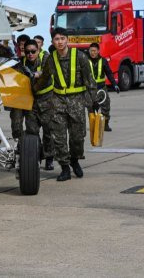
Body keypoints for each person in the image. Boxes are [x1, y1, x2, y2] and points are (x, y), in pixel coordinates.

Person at [34, 27, 96, 181]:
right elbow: (44, 79)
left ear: (67, 40)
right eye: (56, 39)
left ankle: (74, 160)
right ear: (52, 42)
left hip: (76, 101)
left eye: (62, 38)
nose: (60, 42)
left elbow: (90, 80)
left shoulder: (80, 57)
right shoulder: (51, 59)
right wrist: (33, 90)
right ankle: (65, 168)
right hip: (58, 101)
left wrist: (93, 102)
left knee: (77, 138)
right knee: (59, 137)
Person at [22, 39, 55, 170]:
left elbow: (48, 70)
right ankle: (37, 156)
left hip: (47, 99)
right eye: (27, 52)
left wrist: (36, 74)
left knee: (48, 131)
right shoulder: (22, 62)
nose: (30, 54)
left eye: (33, 51)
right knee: (32, 132)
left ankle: (49, 158)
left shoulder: (46, 57)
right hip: (31, 102)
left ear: (38, 50)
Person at [87, 43, 120, 132]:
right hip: (90, 89)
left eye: (94, 51)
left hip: (101, 88)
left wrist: (115, 85)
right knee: (91, 108)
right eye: (91, 51)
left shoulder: (103, 61)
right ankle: (93, 124)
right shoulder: (85, 60)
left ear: (98, 51)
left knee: (106, 106)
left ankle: (105, 124)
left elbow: (109, 73)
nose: (92, 53)